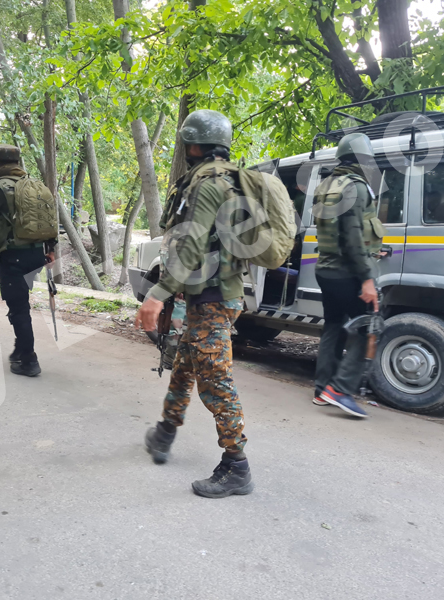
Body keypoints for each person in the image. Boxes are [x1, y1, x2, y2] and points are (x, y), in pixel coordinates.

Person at [135, 109, 253, 499]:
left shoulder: (208, 185)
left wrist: (157, 295)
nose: (185, 148)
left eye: (187, 142)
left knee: (216, 381)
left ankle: (237, 466)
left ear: (195, 144)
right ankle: (165, 433)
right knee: (184, 366)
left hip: (214, 299)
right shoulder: (229, 180)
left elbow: (192, 243)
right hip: (215, 295)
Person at [312, 133, 384, 418]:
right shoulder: (357, 187)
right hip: (346, 273)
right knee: (367, 325)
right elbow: (353, 237)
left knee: (333, 325)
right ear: (362, 160)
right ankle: (340, 390)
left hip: (325, 270)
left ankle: (322, 388)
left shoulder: (326, 185)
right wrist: (367, 278)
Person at [0, 145, 57, 377]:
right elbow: (48, 220)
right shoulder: (36, 185)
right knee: (20, 304)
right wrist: (51, 250)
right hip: (37, 255)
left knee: (19, 309)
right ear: (18, 162)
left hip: (13, 256)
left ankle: (29, 360)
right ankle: (20, 349)